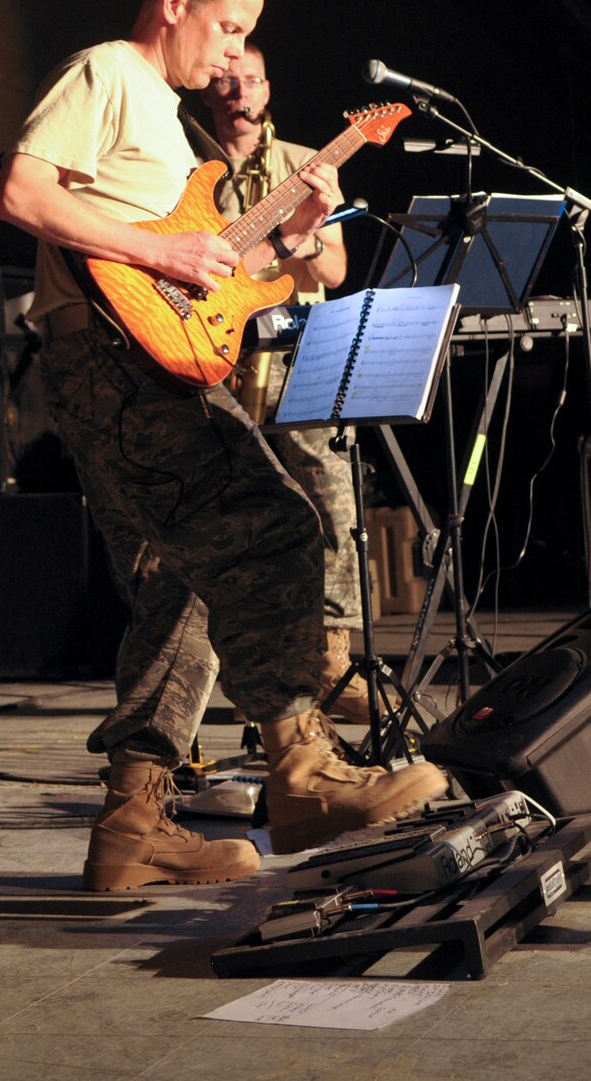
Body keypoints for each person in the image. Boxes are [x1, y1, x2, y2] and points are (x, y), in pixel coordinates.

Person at [0, 0, 446, 892]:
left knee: (180, 580)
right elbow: (21, 191)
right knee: (279, 524)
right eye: (227, 26)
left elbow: (204, 260)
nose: (231, 52)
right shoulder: (109, 71)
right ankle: (302, 771)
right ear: (173, 5)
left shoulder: (161, 118)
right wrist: (160, 259)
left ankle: (132, 825)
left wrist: (284, 241)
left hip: (143, 353)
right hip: (111, 355)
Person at [199, 44, 379, 721]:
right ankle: (244, 672)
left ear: (268, 86)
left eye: (250, 79)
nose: (238, 90)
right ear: (208, 86)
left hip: (298, 357)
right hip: (213, 355)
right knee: (228, 518)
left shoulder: (307, 164)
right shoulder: (188, 166)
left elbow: (334, 273)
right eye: (226, 78)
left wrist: (302, 237)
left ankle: (331, 664)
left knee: (331, 503)